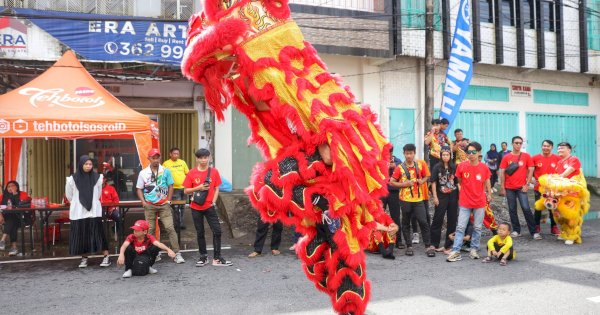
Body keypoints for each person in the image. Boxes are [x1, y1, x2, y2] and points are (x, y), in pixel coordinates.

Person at [183, 148, 232, 267]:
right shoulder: (192, 173)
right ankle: (203, 257)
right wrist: (198, 187)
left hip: (209, 206)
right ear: (197, 159)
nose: (203, 160)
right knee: (200, 232)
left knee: (217, 231)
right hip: (195, 207)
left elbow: (216, 188)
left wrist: (213, 202)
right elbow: (186, 190)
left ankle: (217, 258)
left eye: (206, 157)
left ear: (209, 158)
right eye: (201, 158)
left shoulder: (214, 172)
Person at [136, 148, 185, 264]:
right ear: (149, 158)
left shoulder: (166, 171)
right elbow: (139, 188)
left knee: (169, 228)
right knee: (150, 230)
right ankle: (154, 253)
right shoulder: (143, 173)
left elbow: (171, 186)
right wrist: (143, 202)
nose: (156, 160)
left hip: (164, 205)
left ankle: (177, 253)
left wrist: (168, 201)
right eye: (153, 158)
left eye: (157, 157)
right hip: (150, 205)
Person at [447, 141, 492, 262]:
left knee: (477, 227)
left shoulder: (484, 167)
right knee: (461, 227)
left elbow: (487, 181)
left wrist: (489, 193)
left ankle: (474, 249)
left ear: (479, 153)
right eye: (469, 152)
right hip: (465, 201)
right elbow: (460, 181)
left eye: (473, 152)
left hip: (479, 202)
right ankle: (456, 250)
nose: (471, 154)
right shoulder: (462, 166)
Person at [389, 143, 434, 257]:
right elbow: (392, 181)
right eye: (407, 153)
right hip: (405, 200)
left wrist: (422, 181)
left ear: (414, 153)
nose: (409, 156)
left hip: (418, 199)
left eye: (411, 153)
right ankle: (409, 246)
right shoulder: (400, 168)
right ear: (404, 154)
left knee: (423, 222)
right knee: (405, 223)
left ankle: (428, 246)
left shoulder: (420, 164)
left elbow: (427, 176)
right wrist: (405, 184)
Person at [65, 155, 111, 268]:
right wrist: (79, 202)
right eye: (86, 164)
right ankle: (84, 258)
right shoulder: (72, 179)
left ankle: (106, 257)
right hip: (79, 212)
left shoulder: (98, 178)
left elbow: (98, 194)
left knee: (98, 234)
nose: (88, 166)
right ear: (81, 165)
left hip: (94, 211)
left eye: (90, 164)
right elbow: (69, 195)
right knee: (81, 236)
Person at [499, 136, 539, 240]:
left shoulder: (526, 156)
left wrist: (527, 184)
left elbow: (531, 170)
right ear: (512, 144)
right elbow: (502, 173)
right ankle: (516, 230)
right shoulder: (506, 157)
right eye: (516, 143)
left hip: (522, 188)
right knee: (512, 209)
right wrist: (502, 187)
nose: (518, 145)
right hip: (509, 188)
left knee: (526, 208)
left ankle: (534, 232)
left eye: (520, 143)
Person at [429, 146, 458, 253]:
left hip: (453, 195)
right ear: (441, 156)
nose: (445, 157)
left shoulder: (454, 167)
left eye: (447, 154)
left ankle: (448, 245)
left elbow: (457, 183)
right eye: (443, 155)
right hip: (441, 195)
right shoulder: (437, 167)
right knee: (438, 218)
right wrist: (435, 197)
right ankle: (434, 244)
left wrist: (461, 197)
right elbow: (433, 182)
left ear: (450, 156)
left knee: (452, 220)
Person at [532, 140, 560, 236]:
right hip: (538, 188)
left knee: (553, 208)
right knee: (538, 208)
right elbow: (529, 171)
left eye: (548, 146)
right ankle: (536, 226)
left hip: (553, 189)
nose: (545, 148)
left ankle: (554, 227)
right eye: (544, 145)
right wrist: (531, 180)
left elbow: (561, 172)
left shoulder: (557, 158)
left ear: (552, 147)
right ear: (541, 147)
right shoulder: (535, 158)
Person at [0, 181, 31, 256]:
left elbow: (20, 205)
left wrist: (15, 194)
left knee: (12, 218)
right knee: (12, 220)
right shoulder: (2, 196)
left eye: (12, 186)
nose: (10, 188)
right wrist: (0, 215)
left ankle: (3, 240)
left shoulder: (23, 194)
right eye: (8, 186)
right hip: (5, 219)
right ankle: (14, 247)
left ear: (16, 187)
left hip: (21, 217)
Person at [162, 147, 190, 232]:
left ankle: (180, 223)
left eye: (177, 153)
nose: (176, 155)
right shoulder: (166, 164)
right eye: (174, 153)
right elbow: (162, 177)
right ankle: (177, 224)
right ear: (170, 154)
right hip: (173, 189)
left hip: (183, 188)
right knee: (176, 207)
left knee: (182, 206)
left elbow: (188, 174)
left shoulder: (182, 162)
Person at [382, 146, 404, 248]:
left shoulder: (398, 161)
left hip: (394, 192)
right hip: (381, 192)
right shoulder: (380, 160)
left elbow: (402, 172)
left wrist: (395, 167)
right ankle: (380, 240)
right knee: (379, 216)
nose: (388, 155)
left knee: (395, 216)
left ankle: (398, 240)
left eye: (389, 153)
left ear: (392, 153)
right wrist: (385, 167)